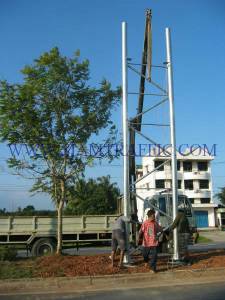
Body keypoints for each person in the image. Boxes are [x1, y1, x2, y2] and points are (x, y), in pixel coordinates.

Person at [138, 208, 162, 273]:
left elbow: (160, 230)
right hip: (146, 243)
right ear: (150, 216)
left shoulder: (155, 223)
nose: (154, 217)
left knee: (154, 256)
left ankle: (153, 269)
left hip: (154, 242)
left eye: (154, 216)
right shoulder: (145, 223)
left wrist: (159, 233)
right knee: (145, 254)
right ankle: (146, 261)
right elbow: (140, 231)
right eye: (153, 216)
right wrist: (139, 238)